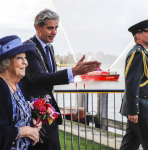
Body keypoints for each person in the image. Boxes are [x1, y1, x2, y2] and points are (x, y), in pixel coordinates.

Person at [21, 9, 101, 150]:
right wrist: (73, 72)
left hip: (48, 113)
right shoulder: (28, 48)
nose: (54, 32)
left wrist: (73, 73)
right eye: (50, 28)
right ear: (37, 27)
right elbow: (37, 78)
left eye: (56, 28)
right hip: (34, 116)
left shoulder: (49, 48)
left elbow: (49, 79)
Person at [0, 35, 42, 150]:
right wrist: (25, 131)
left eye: (25, 57)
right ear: (6, 62)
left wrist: (31, 121)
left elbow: (17, 117)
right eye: (19, 58)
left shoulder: (17, 84)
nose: (26, 63)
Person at [120, 19, 148, 150]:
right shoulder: (138, 53)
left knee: (129, 145)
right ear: (138, 36)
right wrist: (134, 111)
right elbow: (132, 83)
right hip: (141, 110)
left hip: (141, 108)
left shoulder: (142, 52)